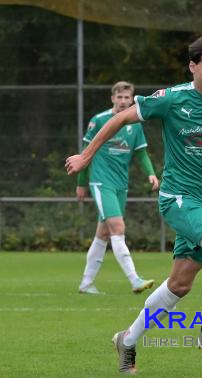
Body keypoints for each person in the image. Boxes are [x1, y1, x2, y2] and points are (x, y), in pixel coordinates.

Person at [66, 37, 202, 374]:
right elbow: (117, 120)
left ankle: (128, 340)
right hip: (177, 198)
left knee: (179, 285)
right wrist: (86, 156)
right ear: (192, 66)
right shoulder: (171, 98)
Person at [77, 81, 159, 295]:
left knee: (103, 234)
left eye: (127, 98)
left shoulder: (135, 125)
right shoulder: (99, 120)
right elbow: (85, 153)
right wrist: (81, 184)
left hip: (121, 185)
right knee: (118, 228)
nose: (123, 101)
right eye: (119, 97)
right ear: (112, 98)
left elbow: (141, 154)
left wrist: (150, 173)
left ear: (132, 99)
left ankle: (86, 284)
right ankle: (134, 280)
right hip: (101, 182)